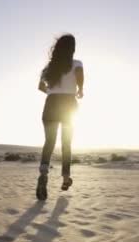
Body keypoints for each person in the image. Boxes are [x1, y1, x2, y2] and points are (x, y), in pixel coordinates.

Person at [36, 34, 84, 201]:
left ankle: (43, 173)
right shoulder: (76, 64)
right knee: (66, 144)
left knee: (49, 143)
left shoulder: (49, 68)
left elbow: (40, 86)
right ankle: (65, 178)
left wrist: (51, 92)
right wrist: (80, 90)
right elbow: (79, 74)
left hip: (51, 104)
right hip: (69, 104)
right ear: (72, 48)